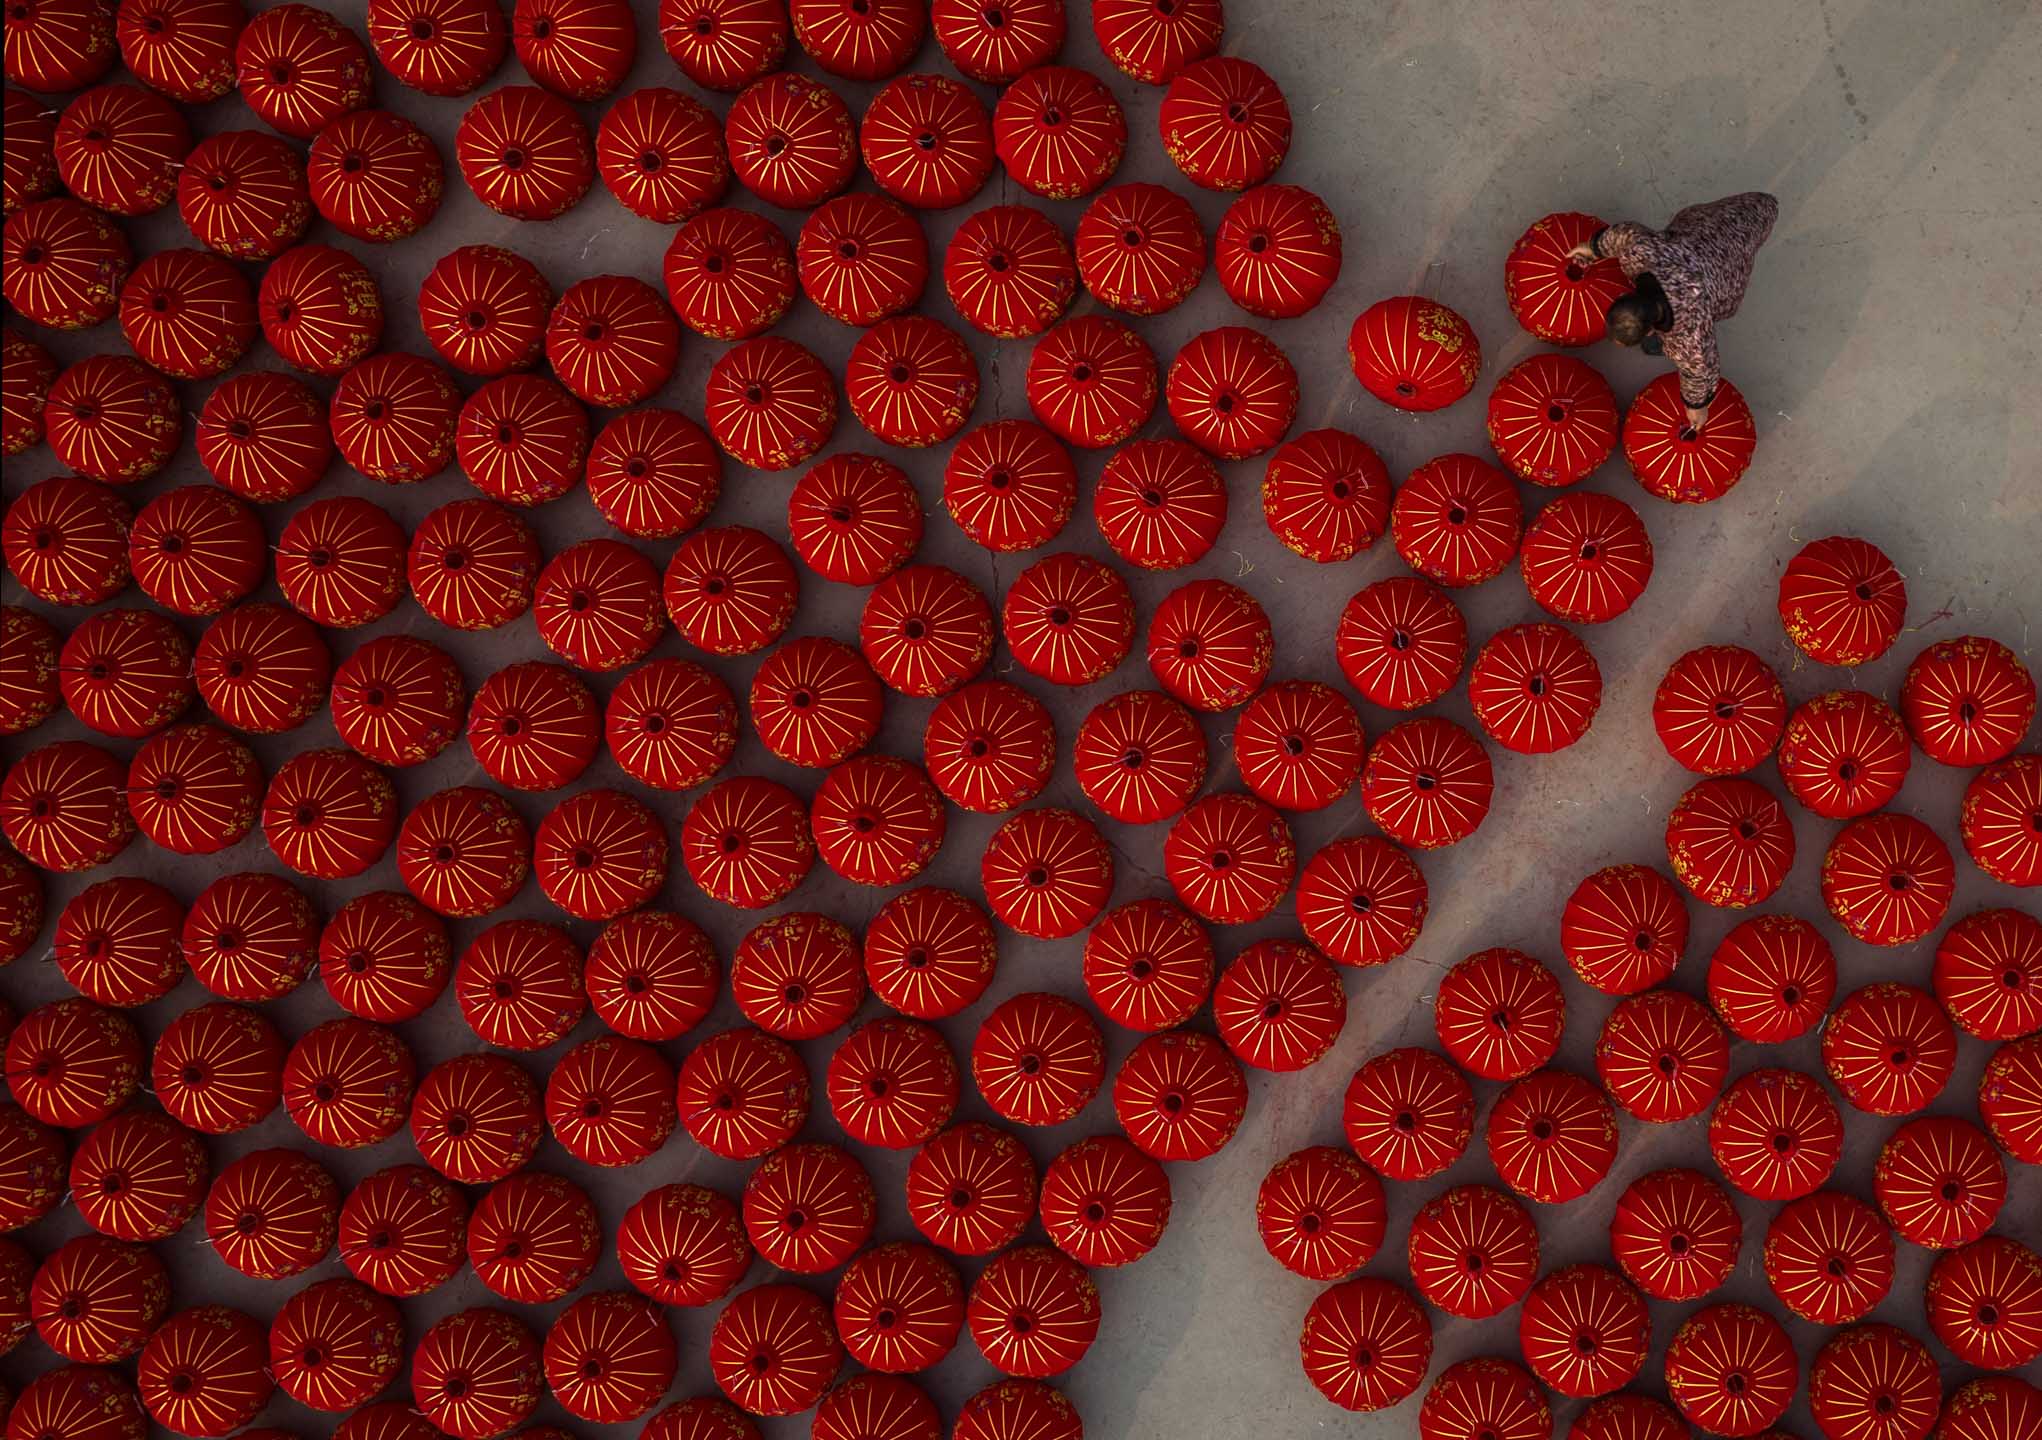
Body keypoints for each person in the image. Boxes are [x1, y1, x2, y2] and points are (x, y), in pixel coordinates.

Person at [1567, 192, 1780, 430]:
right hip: (1710, 225)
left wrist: (1697, 407)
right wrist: (1593, 248)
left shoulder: (1689, 335)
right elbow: (1624, 234)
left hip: (1728, 267)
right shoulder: (1644, 252)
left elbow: (1700, 371)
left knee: (1749, 235)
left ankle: (1766, 213)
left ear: (1650, 333)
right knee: (1753, 213)